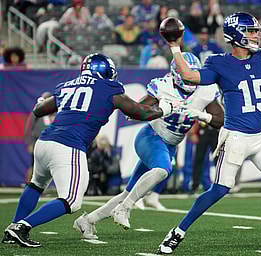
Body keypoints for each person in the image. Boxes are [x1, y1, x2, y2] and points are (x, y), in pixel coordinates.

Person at [157, 12, 261, 254]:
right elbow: (189, 76)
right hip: (236, 137)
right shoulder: (219, 62)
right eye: (251, 31)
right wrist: (175, 47)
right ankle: (176, 233)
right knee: (219, 189)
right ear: (235, 35)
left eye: (256, 31)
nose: (256, 35)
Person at [2, 53, 176, 248]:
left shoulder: (68, 85)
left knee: (36, 185)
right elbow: (141, 112)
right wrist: (164, 110)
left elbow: (39, 110)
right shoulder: (109, 87)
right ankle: (22, 227)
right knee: (72, 201)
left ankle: (13, 227)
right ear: (104, 71)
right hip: (68, 145)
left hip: (44, 142)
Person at [72, 52, 224, 240]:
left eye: (192, 72)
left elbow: (220, 120)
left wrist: (203, 116)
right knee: (162, 170)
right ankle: (125, 209)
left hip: (170, 144)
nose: (189, 76)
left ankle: (87, 221)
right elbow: (133, 113)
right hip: (151, 137)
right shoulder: (163, 86)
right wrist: (161, 110)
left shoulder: (206, 90)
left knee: (130, 191)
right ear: (176, 72)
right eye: (186, 71)